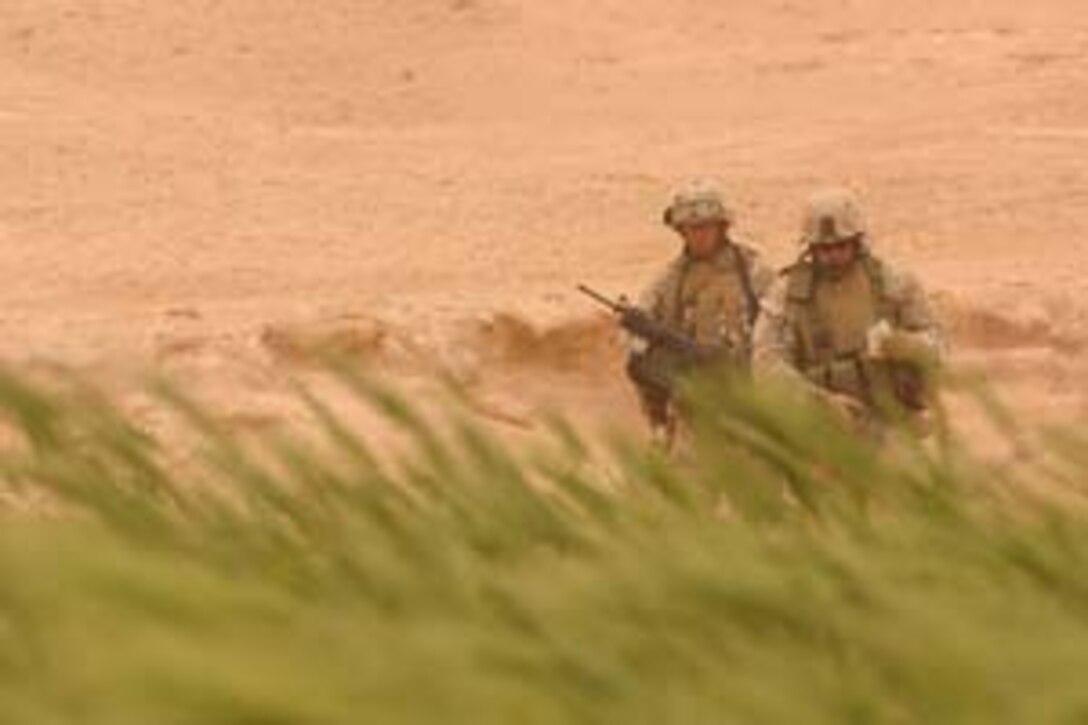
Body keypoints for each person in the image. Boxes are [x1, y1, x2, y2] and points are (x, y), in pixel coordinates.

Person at [752, 187, 943, 433]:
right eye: (824, 249)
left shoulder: (893, 283)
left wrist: (906, 345)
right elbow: (767, 365)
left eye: (841, 246)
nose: (833, 256)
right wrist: (819, 402)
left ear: (857, 242)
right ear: (810, 248)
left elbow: (939, 346)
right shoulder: (786, 295)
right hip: (819, 427)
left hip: (892, 421)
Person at [626, 181, 775, 444]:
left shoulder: (753, 270)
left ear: (721, 226)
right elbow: (642, 325)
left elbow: (779, 325)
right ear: (681, 231)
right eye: (692, 229)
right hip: (695, 403)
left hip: (750, 395)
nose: (700, 235)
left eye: (707, 226)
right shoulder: (671, 280)